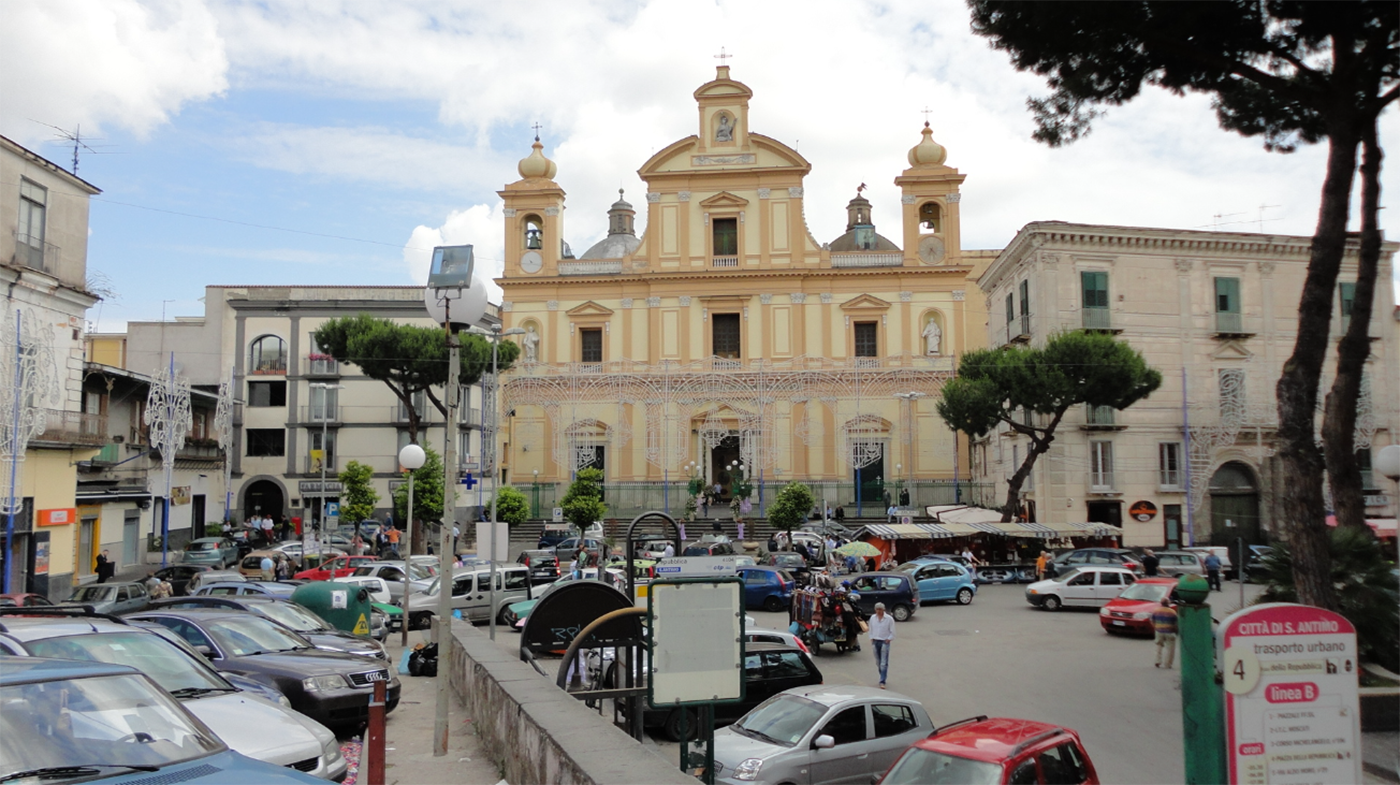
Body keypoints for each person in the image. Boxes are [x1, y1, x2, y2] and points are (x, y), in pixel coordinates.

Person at [868, 602, 895, 688]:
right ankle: (882, 674)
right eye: (877, 609)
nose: (878, 611)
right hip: (875, 641)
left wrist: (889, 639)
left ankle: (882, 680)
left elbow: (893, 631)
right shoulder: (873, 618)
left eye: (880, 609)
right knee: (878, 662)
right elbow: (871, 629)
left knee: (883, 663)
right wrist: (871, 637)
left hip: (884, 642)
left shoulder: (889, 619)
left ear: (883, 610)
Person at [1152, 598, 1178, 669]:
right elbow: (1176, 623)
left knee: (1159, 646)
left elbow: (1152, 620)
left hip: (1159, 631)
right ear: (1168, 603)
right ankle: (1168, 664)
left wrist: (1155, 627)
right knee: (1170, 648)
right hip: (1170, 632)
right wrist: (1176, 630)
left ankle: (1157, 660)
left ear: (1161, 603)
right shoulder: (1172, 612)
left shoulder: (1156, 611)